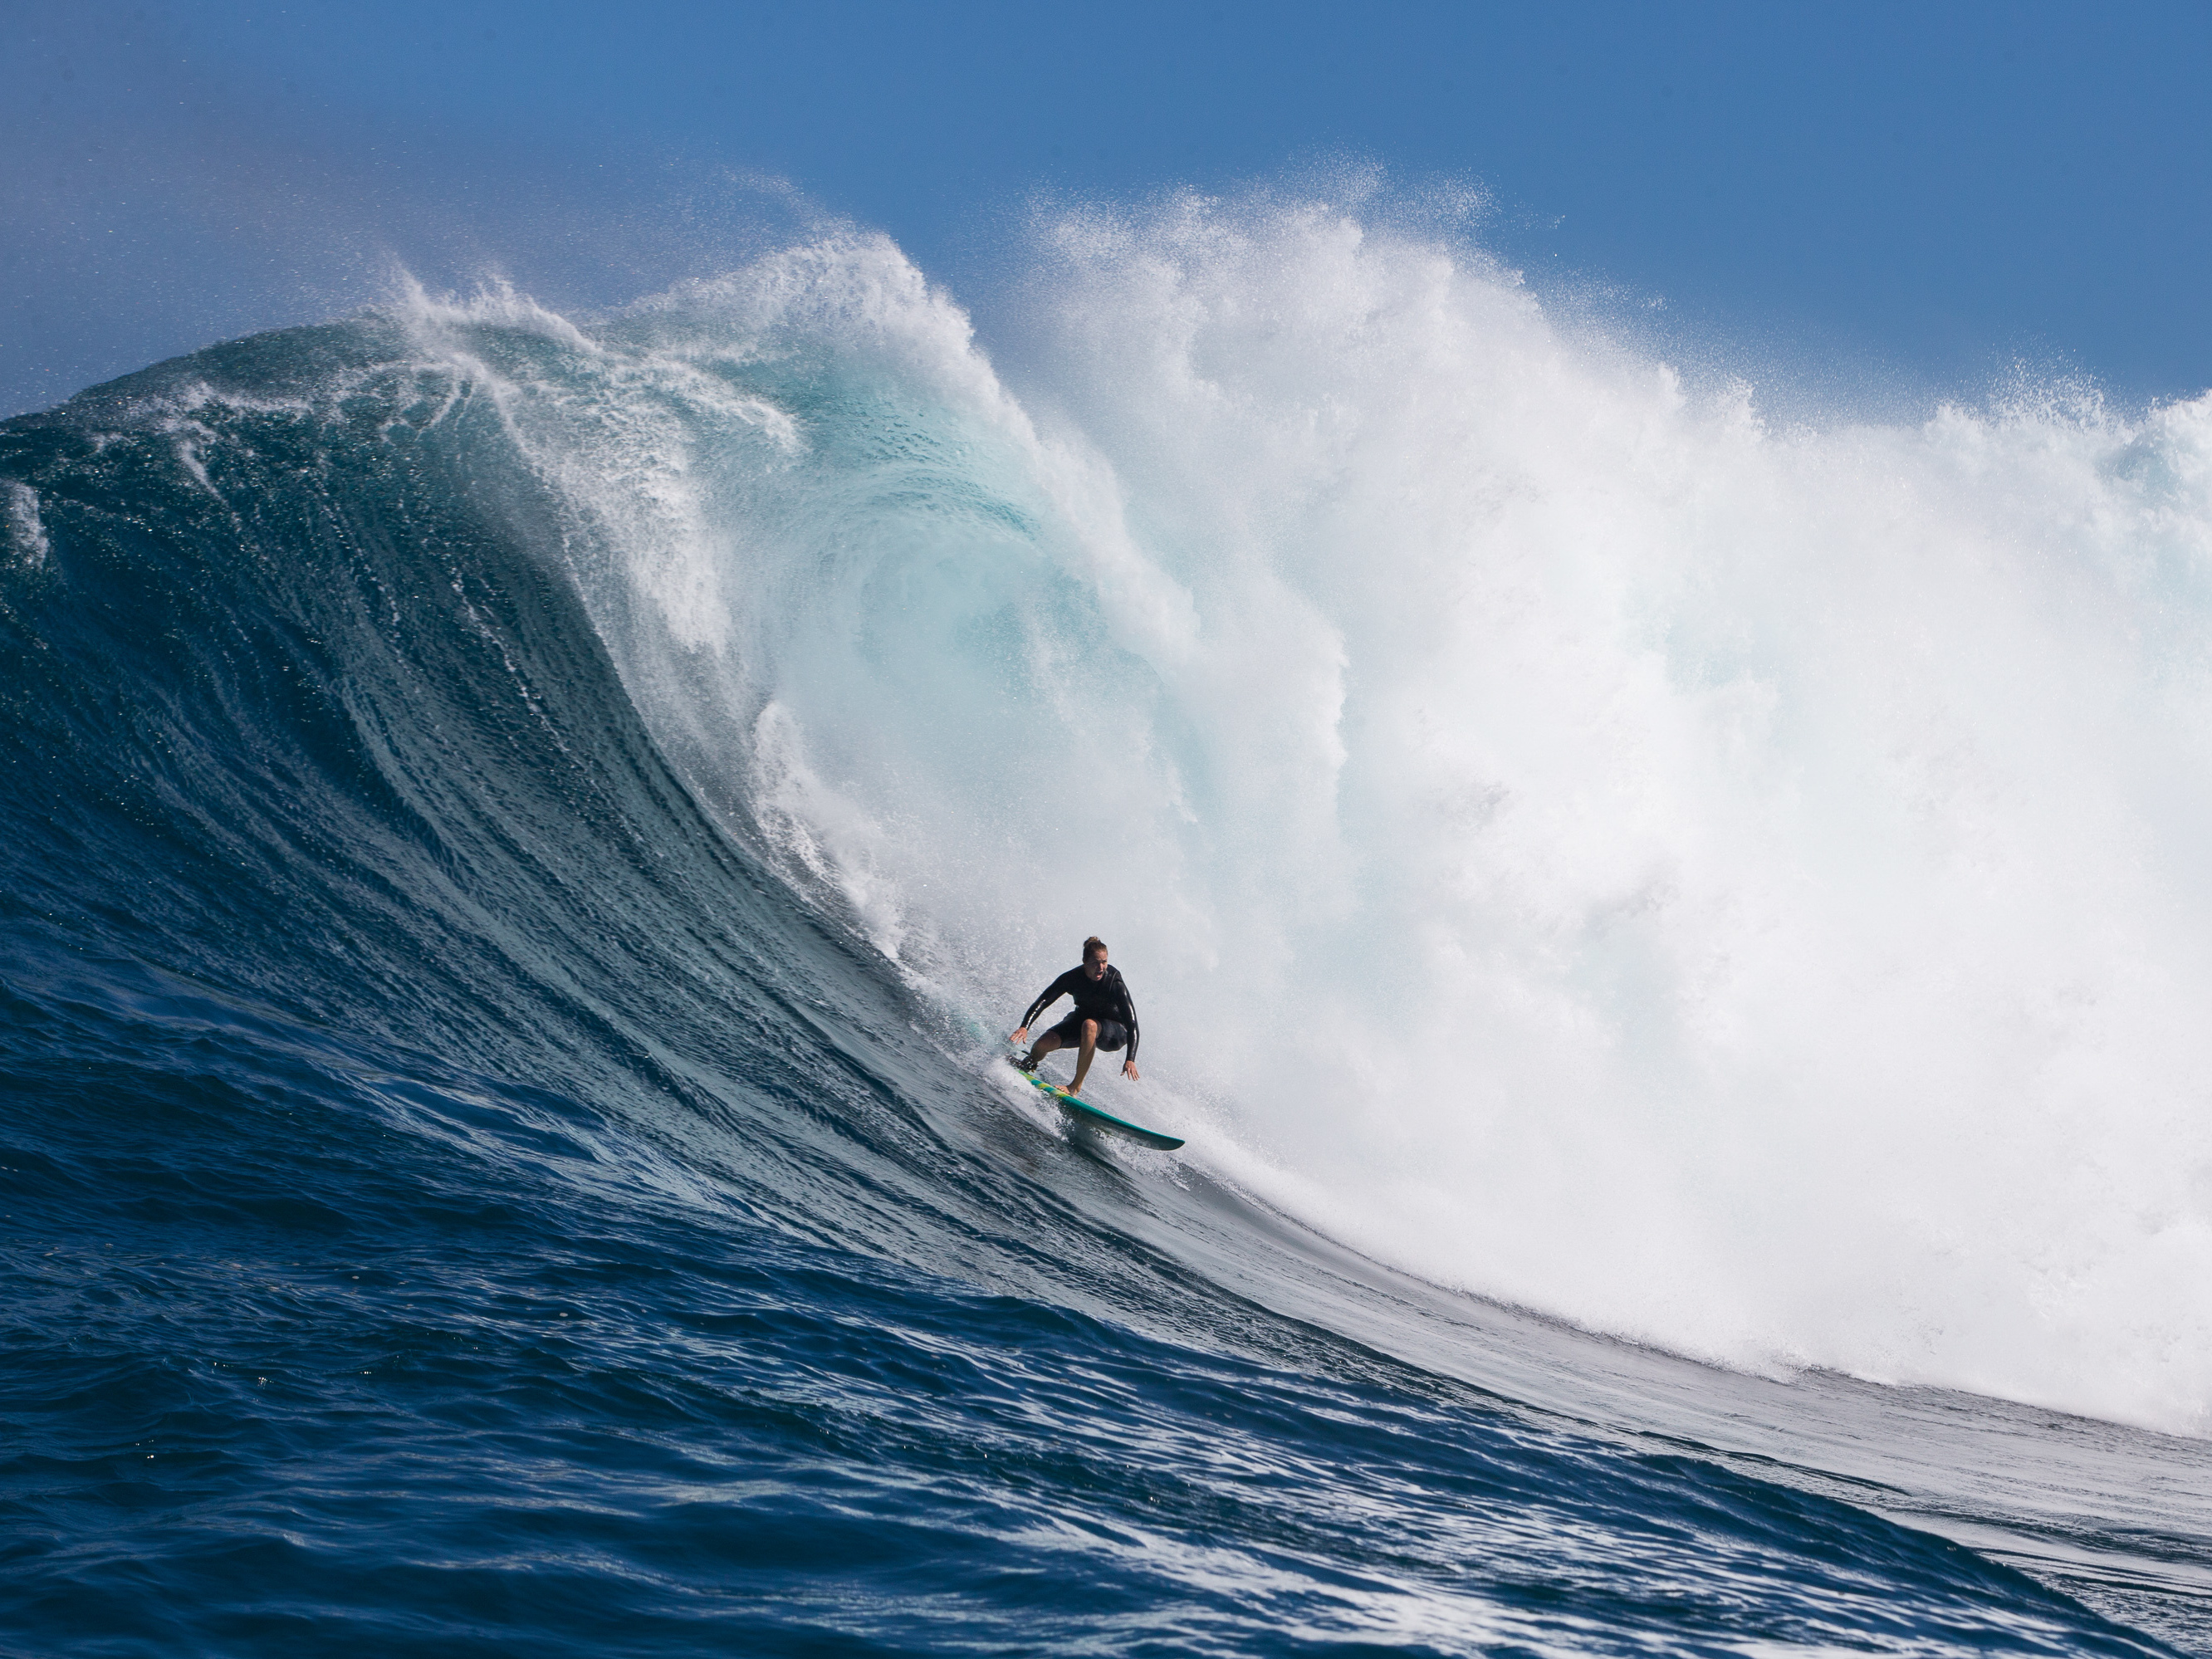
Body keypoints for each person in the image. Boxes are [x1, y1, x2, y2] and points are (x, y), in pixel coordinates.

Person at [1010, 935, 1140, 1098]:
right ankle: (1028, 1064)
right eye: (1095, 963)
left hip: (1115, 1031)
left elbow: (1132, 1023)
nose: (1101, 967)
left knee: (1090, 1025)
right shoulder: (1072, 978)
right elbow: (1043, 1001)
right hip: (1083, 1021)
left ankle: (1075, 1087)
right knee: (1042, 1045)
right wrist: (1025, 1026)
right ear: (1085, 962)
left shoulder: (1114, 982)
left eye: (1104, 962)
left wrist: (1130, 1058)